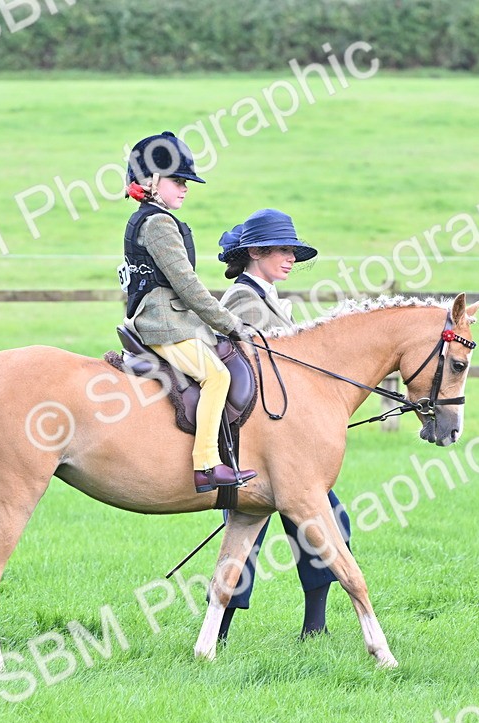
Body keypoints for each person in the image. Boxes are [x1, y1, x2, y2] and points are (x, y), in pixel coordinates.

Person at [214, 208, 353, 641]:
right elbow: (258, 363)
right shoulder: (242, 299)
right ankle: (219, 632)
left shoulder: (271, 297)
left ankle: (316, 628)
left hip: (290, 440)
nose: (291, 258)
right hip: (257, 439)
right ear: (256, 252)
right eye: (283, 250)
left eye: (293, 251)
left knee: (329, 521)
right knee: (246, 541)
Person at [120, 131, 257, 493]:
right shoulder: (159, 223)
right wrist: (230, 324)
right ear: (151, 181)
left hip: (168, 320)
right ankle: (207, 465)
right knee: (217, 377)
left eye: (186, 182)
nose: (185, 188)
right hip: (165, 325)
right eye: (177, 181)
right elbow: (188, 286)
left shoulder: (147, 219)